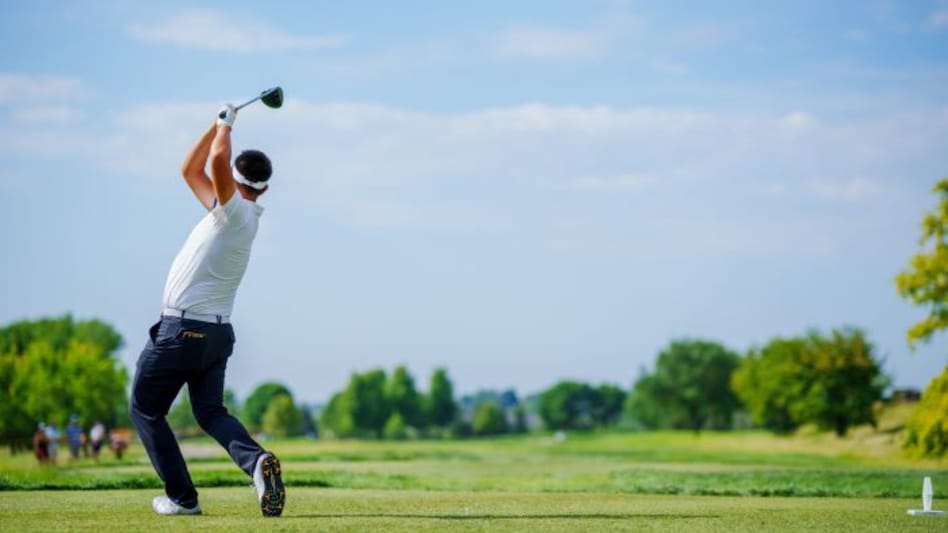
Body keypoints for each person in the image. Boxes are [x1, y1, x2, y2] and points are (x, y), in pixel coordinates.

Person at [129, 104, 284, 517]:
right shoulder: (234, 214)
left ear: (234, 178)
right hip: (215, 336)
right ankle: (256, 463)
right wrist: (213, 125)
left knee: (145, 408)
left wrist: (226, 125)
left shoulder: (233, 212)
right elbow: (190, 170)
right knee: (210, 412)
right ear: (265, 188)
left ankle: (183, 498)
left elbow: (215, 160)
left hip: (183, 331)